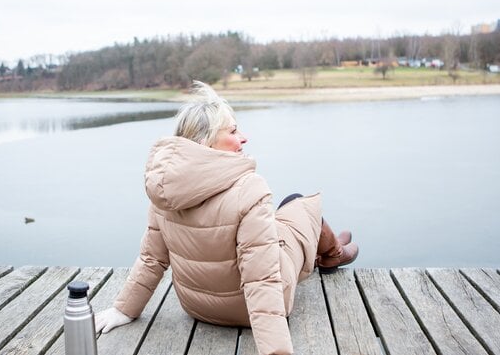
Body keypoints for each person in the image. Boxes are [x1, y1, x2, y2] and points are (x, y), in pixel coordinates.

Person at [94, 81, 359, 355]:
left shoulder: (165, 190)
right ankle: (333, 254)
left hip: (197, 307)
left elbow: (152, 259)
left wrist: (123, 310)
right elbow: (262, 278)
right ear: (204, 142)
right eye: (233, 131)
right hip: (250, 311)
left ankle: (325, 251)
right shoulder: (250, 189)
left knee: (274, 224)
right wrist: (276, 351)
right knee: (298, 204)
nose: (244, 138)